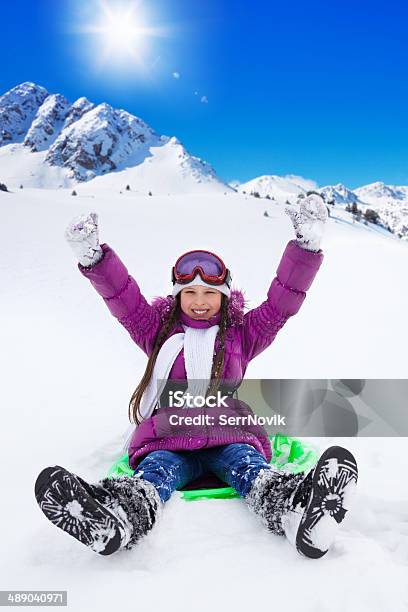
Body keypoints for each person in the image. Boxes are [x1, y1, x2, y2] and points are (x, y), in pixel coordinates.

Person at [34, 192, 358, 559]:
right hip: (169, 438)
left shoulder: (241, 333)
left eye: (208, 292)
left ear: (224, 295)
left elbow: (281, 305)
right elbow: (124, 299)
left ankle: (296, 511)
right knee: (155, 475)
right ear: (177, 295)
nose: (199, 300)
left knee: (250, 470)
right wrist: (95, 259)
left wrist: (306, 248)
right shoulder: (156, 330)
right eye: (189, 292)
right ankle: (117, 517)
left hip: (228, 433)